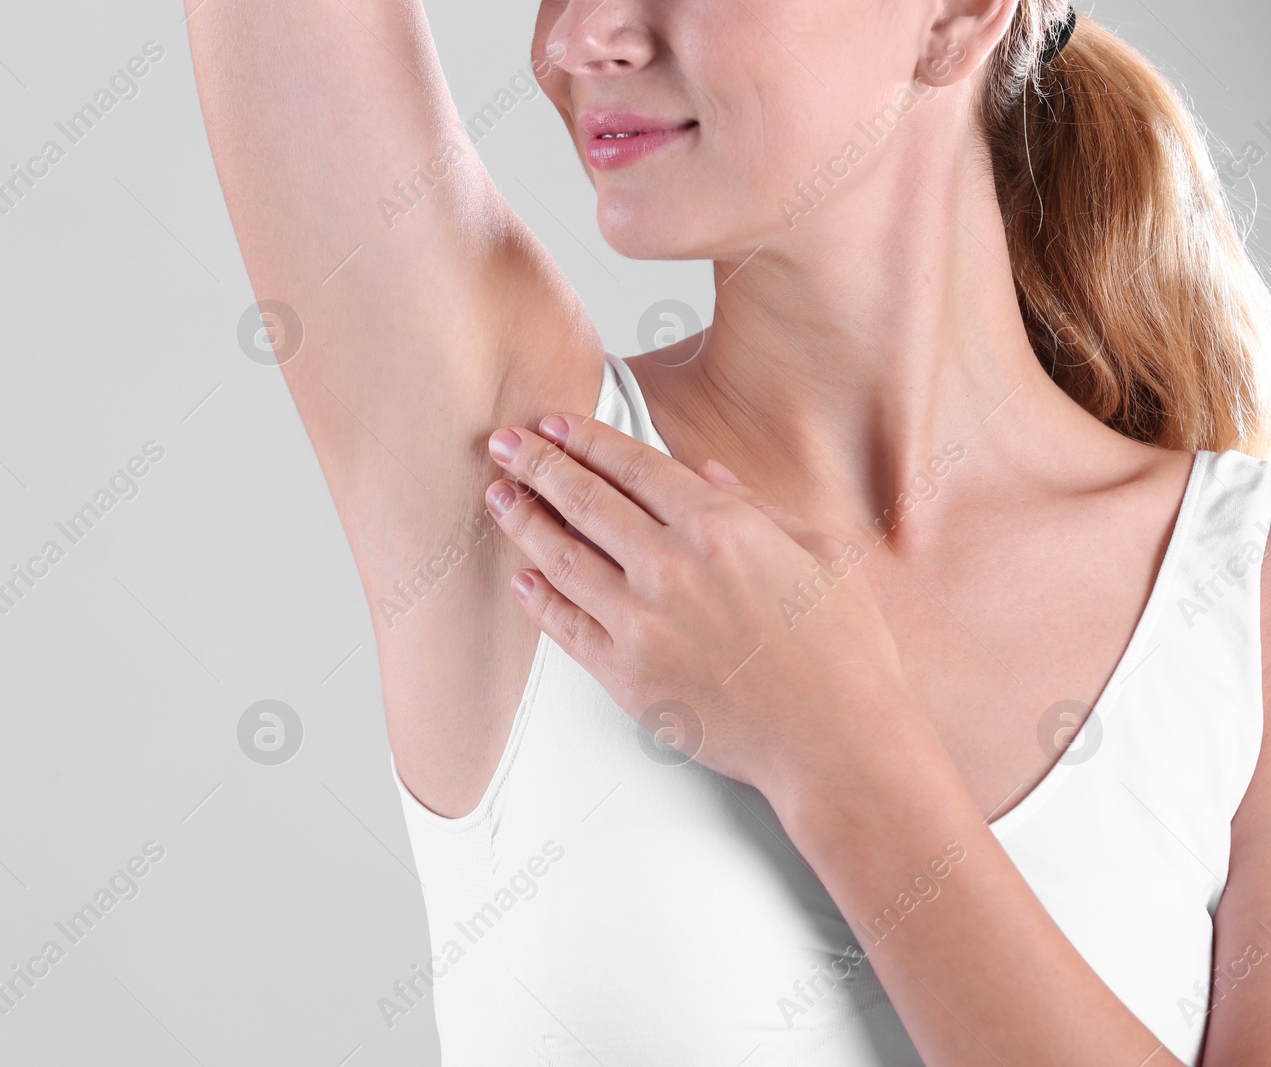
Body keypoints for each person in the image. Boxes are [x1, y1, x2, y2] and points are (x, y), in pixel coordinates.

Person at [186, 1, 1271, 1062]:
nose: (577, 36)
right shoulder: (529, 472)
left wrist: (837, 744)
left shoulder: (1241, 589)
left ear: (954, 15)